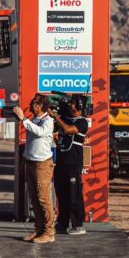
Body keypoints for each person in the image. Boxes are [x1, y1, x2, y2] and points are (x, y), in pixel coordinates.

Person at [13, 94, 56, 244]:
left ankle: (49, 232)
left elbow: (40, 132)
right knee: (34, 198)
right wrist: (24, 158)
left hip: (42, 164)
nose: (31, 105)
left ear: (39, 106)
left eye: (33, 103)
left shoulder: (48, 121)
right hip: (31, 162)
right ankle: (39, 229)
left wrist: (23, 119)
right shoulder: (34, 120)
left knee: (44, 198)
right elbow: (32, 141)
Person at [51, 95, 90, 235]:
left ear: (79, 106)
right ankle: (62, 223)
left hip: (73, 164)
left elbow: (68, 130)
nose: (69, 105)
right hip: (61, 161)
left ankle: (78, 225)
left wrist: (56, 117)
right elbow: (54, 130)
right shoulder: (64, 118)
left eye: (72, 103)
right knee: (61, 194)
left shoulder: (82, 122)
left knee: (74, 195)